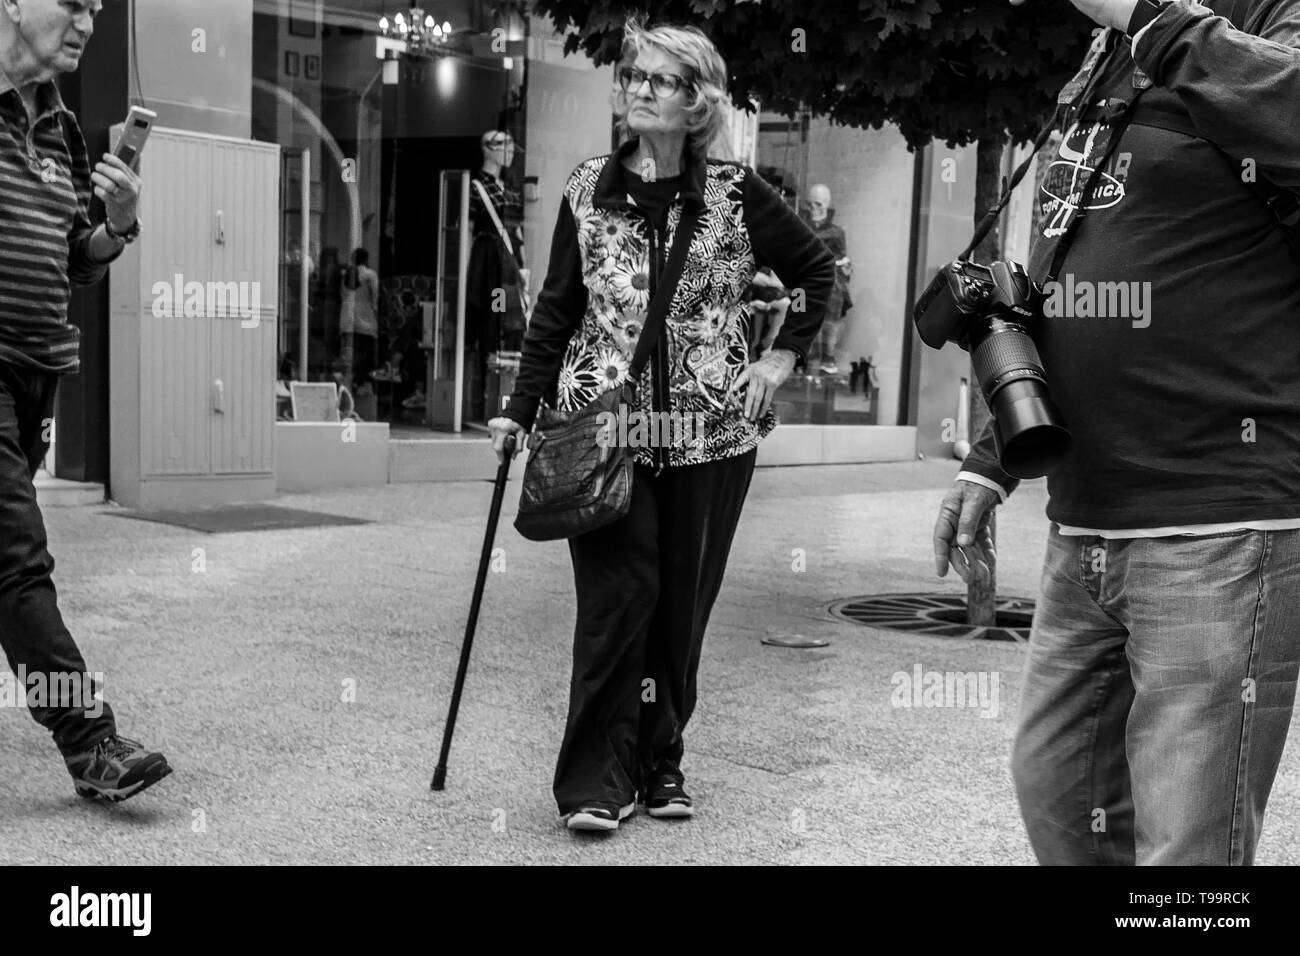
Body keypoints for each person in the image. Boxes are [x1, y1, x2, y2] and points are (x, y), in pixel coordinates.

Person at [933, 0, 1300, 865]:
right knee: (1061, 792)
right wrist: (994, 459)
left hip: (1218, 519)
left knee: (1188, 849)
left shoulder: (1266, 15)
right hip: (1087, 519)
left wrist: (1151, 16)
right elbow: (1061, 275)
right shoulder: (1105, 55)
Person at [488, 18, 834, 832]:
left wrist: (778, 362)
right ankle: (594, 782)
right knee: (620, 596)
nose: (638, 88)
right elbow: (556, 311)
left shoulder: (735, 194)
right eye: (634, 76)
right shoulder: (586, 189)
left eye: (660, 79)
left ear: (698, 102)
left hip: (709, 432)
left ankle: (661, 760)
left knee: (681, 603)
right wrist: (517, 409)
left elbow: (814, 272)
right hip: (604, 428)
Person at [0, 0, 171, 800]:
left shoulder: (63, 127)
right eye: (72, 3)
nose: (89, 22)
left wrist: (120, 223)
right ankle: (90, 740)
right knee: (17, 560)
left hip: (39, 372)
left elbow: (79, 259)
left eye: (97, 8)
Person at [802, 184, 853, 375]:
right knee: (798, 301)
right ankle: (800, 348)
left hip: (827, 279)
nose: (813, 209)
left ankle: (828, 353)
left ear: (827, 205)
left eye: (818, 204)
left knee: (835, 295)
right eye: (809, 204)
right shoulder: (799, 225)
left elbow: (842, 260)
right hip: (802, 279)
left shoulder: (836, 232)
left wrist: (842, 269)